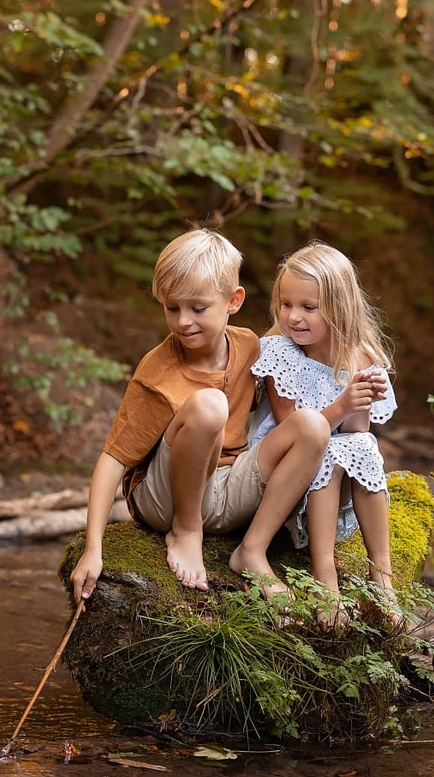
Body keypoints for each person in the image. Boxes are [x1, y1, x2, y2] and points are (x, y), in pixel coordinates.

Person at [70, 228, 331, 603]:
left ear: (233, 300)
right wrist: (92, 549)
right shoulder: (158, 370)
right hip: (166, 500)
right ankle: (186, 531)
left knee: (312, 425)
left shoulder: (250, 347)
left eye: (198, 308)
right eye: (172, 307)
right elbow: (113, 460)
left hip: (227, 492)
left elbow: (300, 353)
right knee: (210, 405)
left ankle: (252, 551)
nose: (182, 322)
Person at [250, 241, 400, 625]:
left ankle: (382, 577)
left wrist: (360, 403)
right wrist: (342, 405)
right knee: (329, 449)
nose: (293, 317)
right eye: (286, 304)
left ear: (338, 307)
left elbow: (355, 432)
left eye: (308, 307)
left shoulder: (357, 356)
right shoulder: (279, 351)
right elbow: (295, 429)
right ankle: (325, 578)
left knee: (361, 443)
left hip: (330, 478)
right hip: (284, 471)